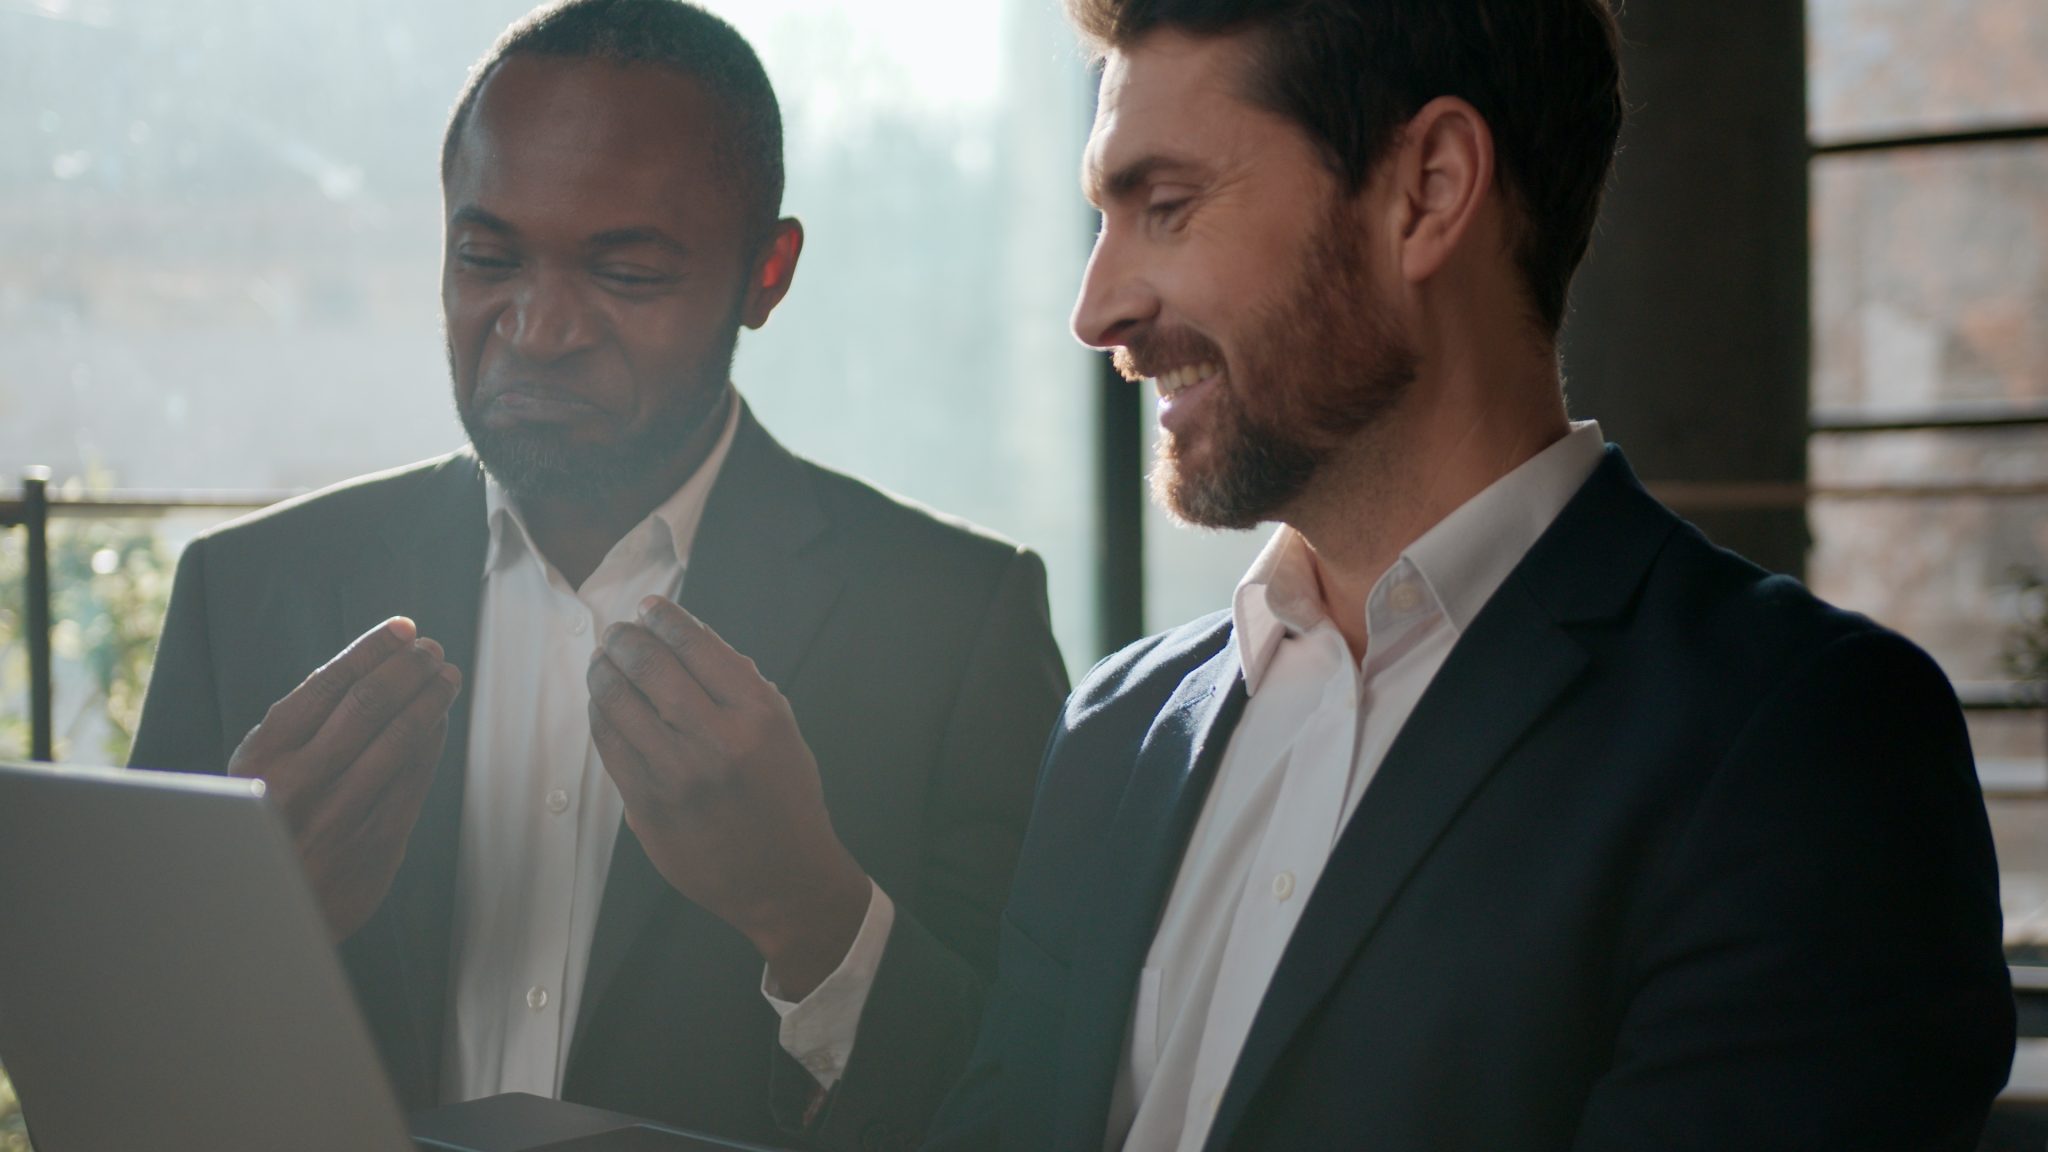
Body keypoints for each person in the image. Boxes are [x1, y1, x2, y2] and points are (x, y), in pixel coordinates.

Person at [805, 2, 2018, 1149]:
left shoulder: (1802, 744)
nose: (1095, 308)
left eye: (1165, 207)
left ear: (1428, 190)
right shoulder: (1114, 731)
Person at [128, 1, 1068, 1146]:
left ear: (766, 274)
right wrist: (248, 933)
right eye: (486, 258)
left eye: (625, 272)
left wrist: (810, 912)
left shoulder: (953, 623)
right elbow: (107, 1092)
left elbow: (1035, 1102)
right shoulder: (246, 595)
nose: (537, 328)